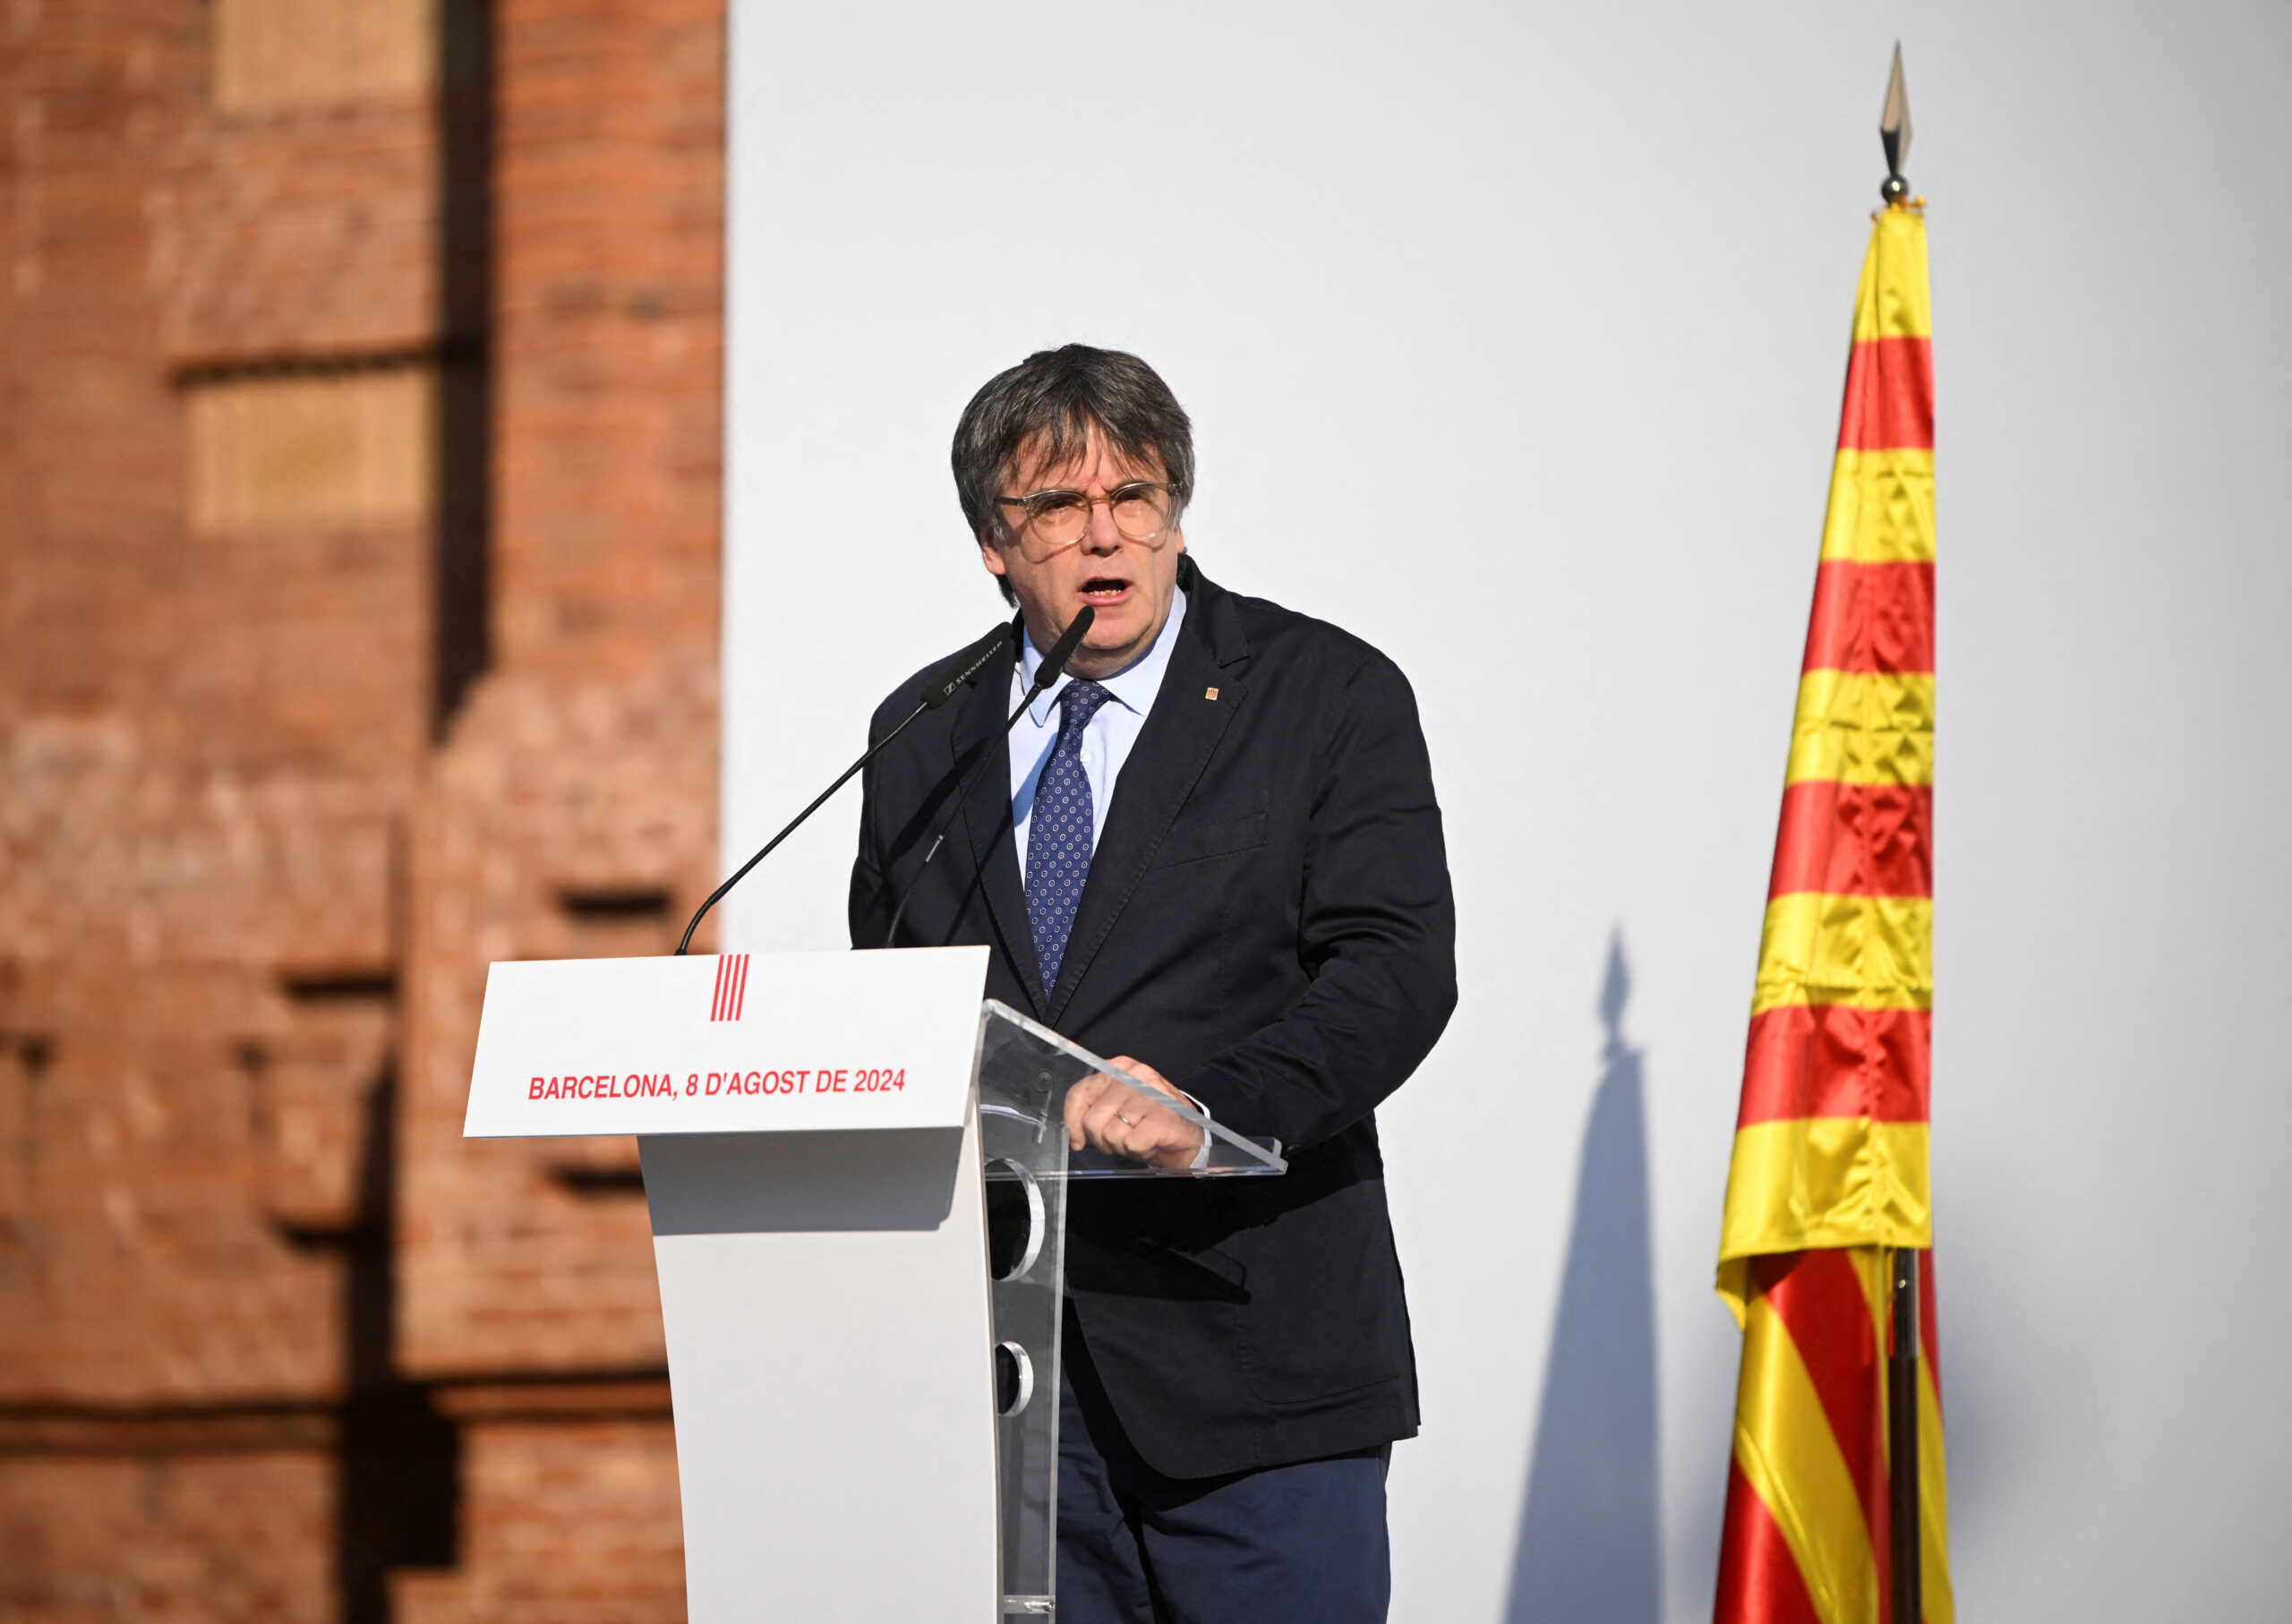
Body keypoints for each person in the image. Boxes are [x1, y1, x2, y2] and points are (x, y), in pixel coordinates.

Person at [850, 344, 1456, 1624]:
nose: (1105, 535)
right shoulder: (923, 735)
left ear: (1177, 510)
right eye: (1058, 508)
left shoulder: (1324, 697)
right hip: (1013, 1389)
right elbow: (900, 996)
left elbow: (1395, 967)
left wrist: (1213, 1104)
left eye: (1137, 496)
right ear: (991, 542)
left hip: (1256, 1376)